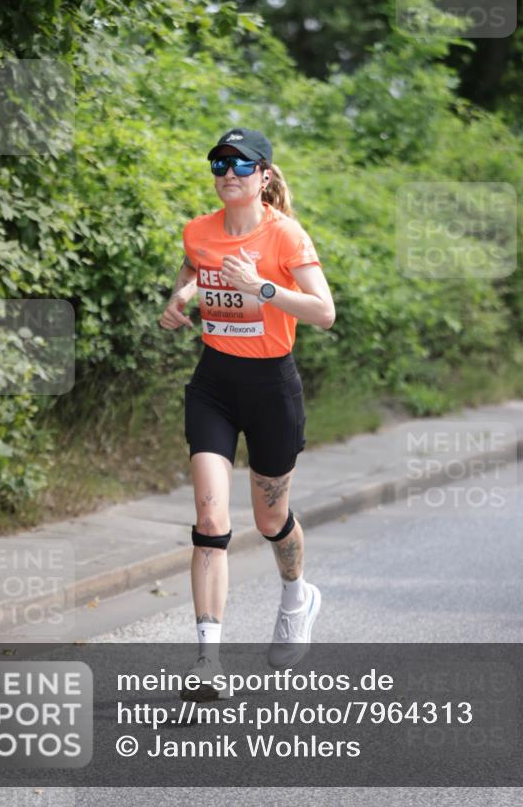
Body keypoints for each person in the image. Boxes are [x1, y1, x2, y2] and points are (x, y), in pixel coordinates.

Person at [159, 127, 335, 699]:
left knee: (267, 521)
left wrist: (261, 288)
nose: (227, 173)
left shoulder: (284, 235)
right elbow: (193, 267)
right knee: (210, 522)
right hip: (214, 384)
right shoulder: (199, 231)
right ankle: (207, 663)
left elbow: (323, 312)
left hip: (271, 389)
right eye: (218, 163)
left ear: (263, 175)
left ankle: (296, 594)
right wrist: (181, 297)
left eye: (240, 164)